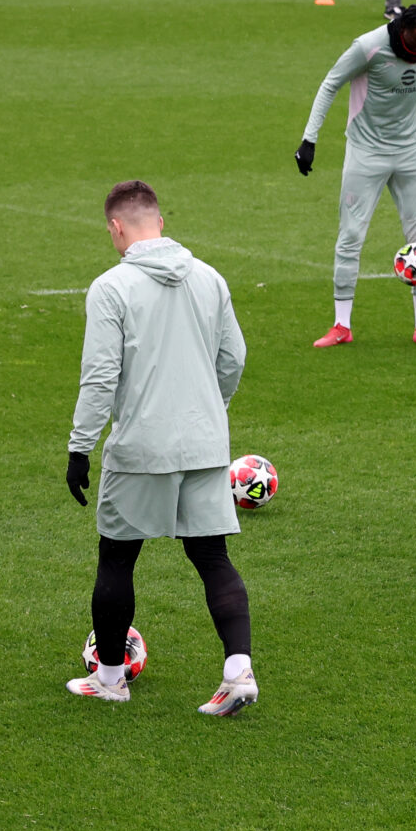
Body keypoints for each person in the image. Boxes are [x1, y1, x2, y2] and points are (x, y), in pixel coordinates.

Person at [63, 180, 258, 714]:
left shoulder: (111, 287)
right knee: (212, 556)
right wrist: (208, 411)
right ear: (160, 223)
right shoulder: (210, 278)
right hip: (205, 443)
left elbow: (100, 377)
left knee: (117, 557)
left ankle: (109, 678)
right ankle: (238, 672)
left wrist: (80, 448)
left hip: (141, 449)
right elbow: (234, 358)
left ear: (116, 228)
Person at [297, 2, 416, 348]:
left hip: (412, 150)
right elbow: (330, 84)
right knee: (351, 234)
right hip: (366, 152)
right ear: (403, 30)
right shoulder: (368, 47)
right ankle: (341, 326)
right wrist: (309, 139)